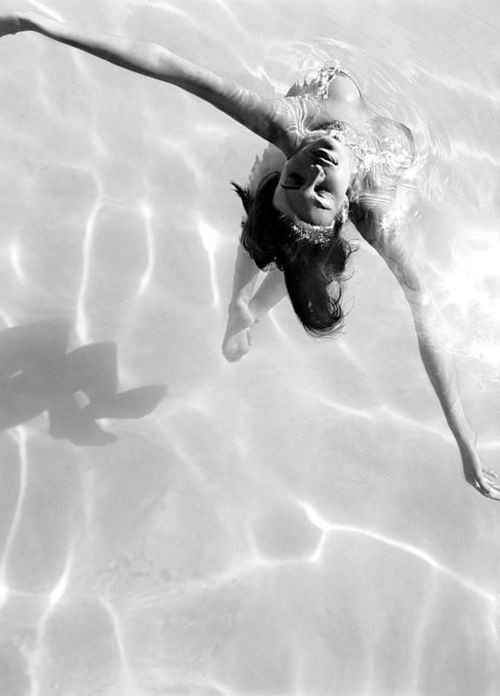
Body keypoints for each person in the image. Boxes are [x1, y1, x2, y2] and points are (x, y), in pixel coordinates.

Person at [1, 12, 498, 500]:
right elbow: (426, 314)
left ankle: (244, 305)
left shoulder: (291, 127)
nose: (315, 168)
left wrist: (41, 25)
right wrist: (464, 437)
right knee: (288, 233)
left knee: (284, 221)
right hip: (354, 186)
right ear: (346, 209)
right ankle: (244, 305)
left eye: (298, 180)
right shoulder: (369, 205)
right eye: (320, 190)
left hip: (306, 181)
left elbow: (169, 66)